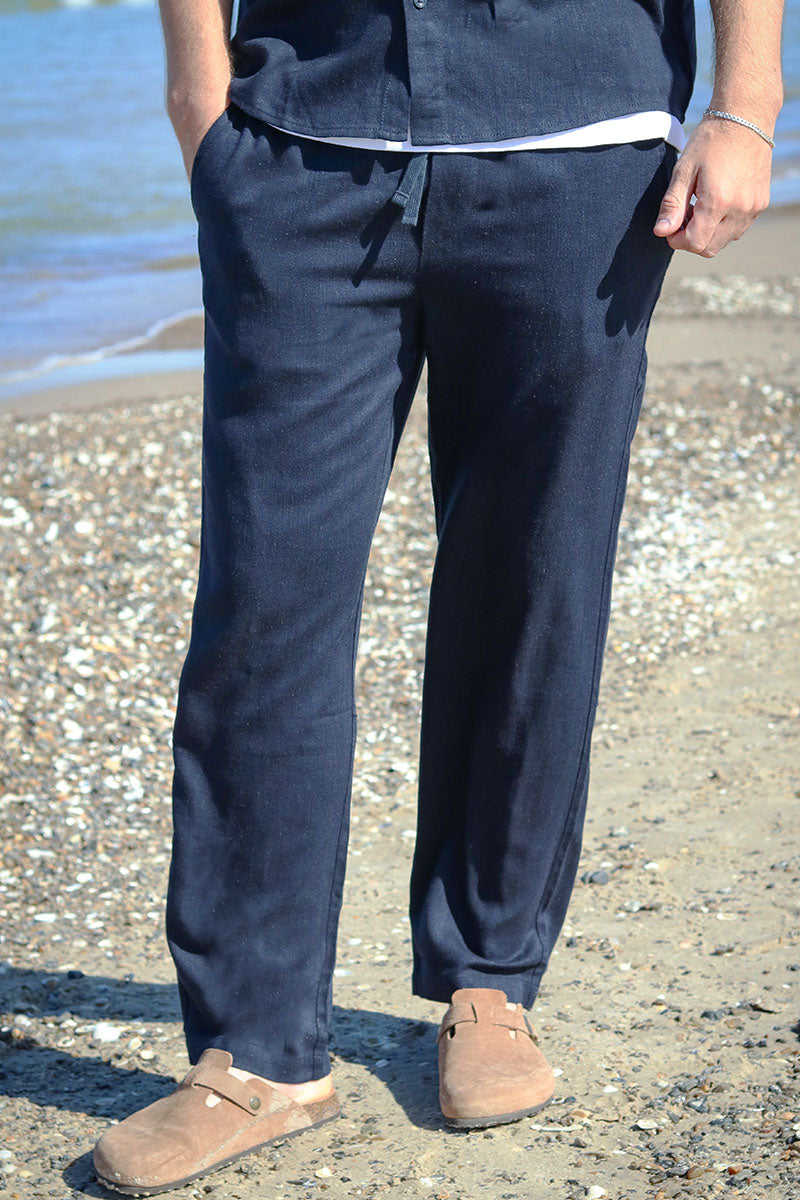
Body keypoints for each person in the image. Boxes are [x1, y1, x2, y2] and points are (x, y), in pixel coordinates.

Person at [93, 0, 784, 1192]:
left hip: (577, 147)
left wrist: (745, 105)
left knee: (530, 583)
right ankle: (254, 1048)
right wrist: (200, 101)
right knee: (263, 604)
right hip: (303, 137)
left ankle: (488, 981)